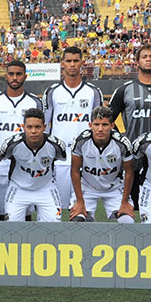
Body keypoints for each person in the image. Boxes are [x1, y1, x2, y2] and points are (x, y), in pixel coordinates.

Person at [109, 44, 151, 214]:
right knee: (131, 208)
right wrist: (121, 138)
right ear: (137, 62)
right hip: (133, 156)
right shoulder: (124, 90)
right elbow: (108, 119)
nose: (148, 59)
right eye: (144, 57)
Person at [43, 46, 103, 211]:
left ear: (81, 63)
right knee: (57, 209)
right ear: (62, 63)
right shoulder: (52, 92)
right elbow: (45, 128)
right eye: (68, 61)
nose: (72, 65)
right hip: (60, 160)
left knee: (82, 209)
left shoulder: (93, 92)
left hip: (86, 160)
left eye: (76, 61)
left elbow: (100, 127)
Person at [0, 60, 43, 218]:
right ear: (6, 76)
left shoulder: (34, 102)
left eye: (18, 74)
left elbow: (41, 135)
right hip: (0, 166)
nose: (15, 77)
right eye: (11, 74)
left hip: (26, 165)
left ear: (25, 76)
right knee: (0, 211)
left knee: (25, 212)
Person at [0, 108, 66, 222]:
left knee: (54, 222)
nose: (33, 131)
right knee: (12, 222)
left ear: (44, 127)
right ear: (23, 127)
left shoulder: (56, 145)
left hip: (45, 187)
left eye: (37, 127)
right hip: (18, 188)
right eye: (29, 127)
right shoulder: (12, 144)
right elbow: (2, 156)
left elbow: (61, 158)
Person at [70, 106, 136, 223]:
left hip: (114, 187)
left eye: (105, 125)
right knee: (77, 220)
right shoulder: (80, 141)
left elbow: (129, 171)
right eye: (96, 124)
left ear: (112, 125)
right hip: (87, 186)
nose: (100, 129)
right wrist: (80, 201)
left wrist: (124, 202)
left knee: (127, 221)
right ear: (90, 125)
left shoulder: (123, 143)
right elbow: (75, 170)